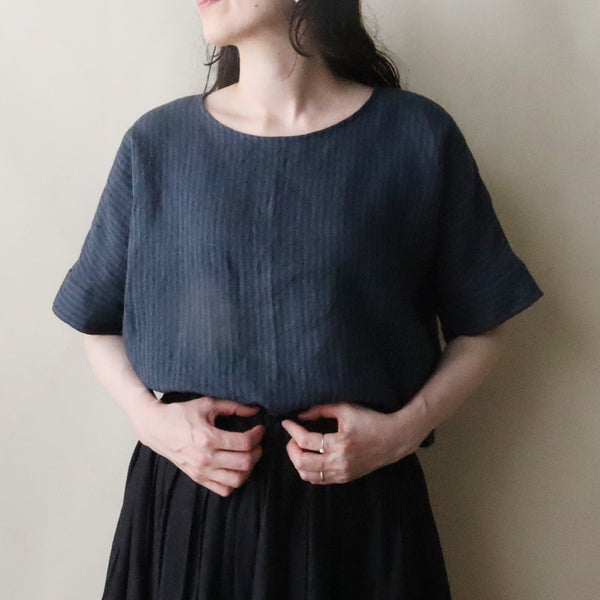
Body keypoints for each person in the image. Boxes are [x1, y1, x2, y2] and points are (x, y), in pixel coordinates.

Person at [51, 0, 544, 598]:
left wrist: (402, 433)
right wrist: (153, 423)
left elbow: (483, 322)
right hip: (194, 514)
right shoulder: (157, 143)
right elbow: (96, 317)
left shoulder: (416, 135)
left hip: (359, 514)